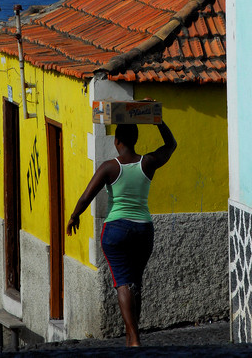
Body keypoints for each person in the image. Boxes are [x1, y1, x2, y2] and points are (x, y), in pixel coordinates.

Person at [67, 120, 177, 347]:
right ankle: (131, 338)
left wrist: (74, 216)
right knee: (136, 282)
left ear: (116, 141)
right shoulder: (148, 163)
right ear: (135, 140)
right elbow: (171, 144)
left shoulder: (110, 167)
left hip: (115, 230)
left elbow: (86, 197)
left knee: (123, 283)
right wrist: (159, 121)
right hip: (143, 229)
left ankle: (134, 337)